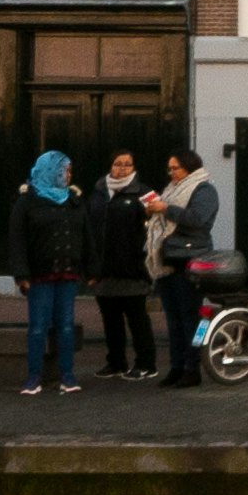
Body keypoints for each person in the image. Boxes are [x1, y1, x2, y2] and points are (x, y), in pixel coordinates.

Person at [11, 150, 90, 398]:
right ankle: (34, 376)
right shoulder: (27, 201)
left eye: (69, 171)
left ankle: (67, 375)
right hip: (40, 273)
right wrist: (21, 273)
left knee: (65, 325)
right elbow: (17, 239)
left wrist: (91, 267)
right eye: (64, 170)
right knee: (38, 326)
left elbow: (86, 235)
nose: (68, 175)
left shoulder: (74, 201)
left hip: (67, 271)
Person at [143, 150, 220, 388]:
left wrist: (165, 208)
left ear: (189, 167)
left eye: (175, 168)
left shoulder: (204, 190)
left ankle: (192, 368)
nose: (171, 173)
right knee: (173, 318)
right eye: (170, 169)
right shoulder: (171, 189)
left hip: (189, 260)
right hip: (167, 261)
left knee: (190, 318)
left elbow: (197, 220)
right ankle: (176, 367)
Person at [86, 154, 158, 379]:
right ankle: (116, 362)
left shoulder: (144, 192)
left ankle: (146, 363)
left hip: (132, 267)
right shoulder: (98, 192)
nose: (123, 169)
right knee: (111, 320)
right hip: (104, 270)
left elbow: (158, 222)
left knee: (137, 319)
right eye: (118, 164)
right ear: (110, 166)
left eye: (128, 164)